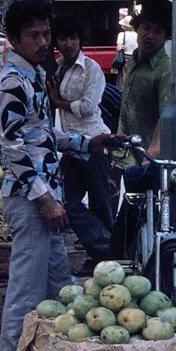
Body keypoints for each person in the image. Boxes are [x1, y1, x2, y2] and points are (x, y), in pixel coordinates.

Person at [0, 0, 121, 351]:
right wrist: (45, 199)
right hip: (30, 201)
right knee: (25, 291)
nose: (44, 41)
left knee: (61, 287)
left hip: (48, 198)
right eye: (34, 35)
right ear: (13, 39)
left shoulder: (34, 77)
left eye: (46, 33)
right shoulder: (11, 83)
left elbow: (43, 138)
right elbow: (13, 150)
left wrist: (88, 142)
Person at [112, 0, 172, 259]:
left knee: (144, 222)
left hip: (148, 159)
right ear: (137, 29)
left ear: (165, 36)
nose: (150, 35)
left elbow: (166, 115)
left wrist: (153, 151)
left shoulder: (164, 70)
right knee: (131, 221)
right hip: (128, 151)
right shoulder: (134, 61)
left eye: (158, 31)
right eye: (146, 28)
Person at [50, 16, 112, 263]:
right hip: (72, 146)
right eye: (63, 38)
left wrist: (59, 102)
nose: (68, 44)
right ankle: (104, 249)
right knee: (69, 203)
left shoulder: (92, 69)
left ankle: (104, 257)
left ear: (81, 40)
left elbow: (88, 107)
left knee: (100, 203)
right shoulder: (57, 67)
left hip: (95, 142)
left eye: (73, 38)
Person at [115, 15, 137, 87]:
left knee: (123, 77)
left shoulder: (122, 34)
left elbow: (118, 48)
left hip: (126, 58)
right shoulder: (137, 34)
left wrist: (123, 46)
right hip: (136, 57)